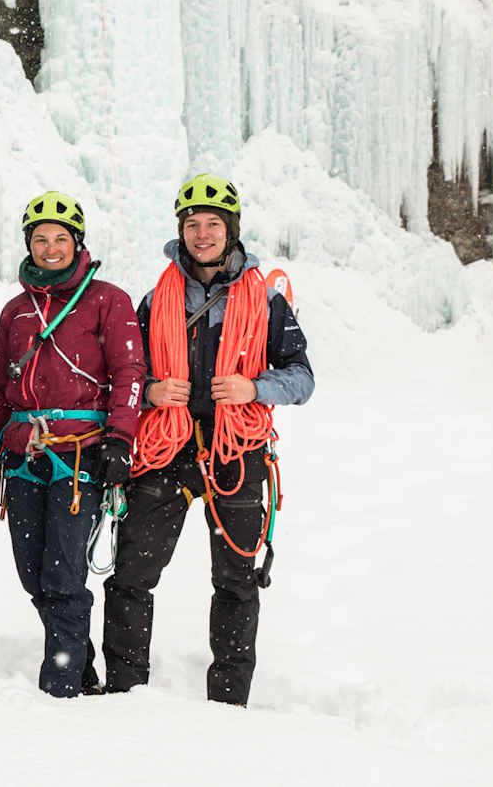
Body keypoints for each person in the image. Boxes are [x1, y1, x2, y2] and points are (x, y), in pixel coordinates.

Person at [103, 175, 314, 705]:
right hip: (165, 451)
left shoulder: (265, 301)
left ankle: (228, 699)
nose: (202, 235)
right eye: (193, 225)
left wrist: (254, 387)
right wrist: (151, 391)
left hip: (236, 452)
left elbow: (302, 377)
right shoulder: (155, 300)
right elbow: (128, 373)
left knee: (237, 580)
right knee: (131, 574)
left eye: (213, 225)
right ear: (181, 231)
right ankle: (126, 690)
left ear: (231, 231)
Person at [0, 191, 146, 698]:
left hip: (81, 454)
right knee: (33, 575)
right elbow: (0, 391)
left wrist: (119, 439)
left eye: (60, 239)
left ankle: (62, 684)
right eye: (41, 239)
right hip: (23, 454)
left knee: (64, 573)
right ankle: (80, 660)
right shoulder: (16, 311)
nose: (50, 248)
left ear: (78, 243)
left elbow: (129, 373)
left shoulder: (108, 300)